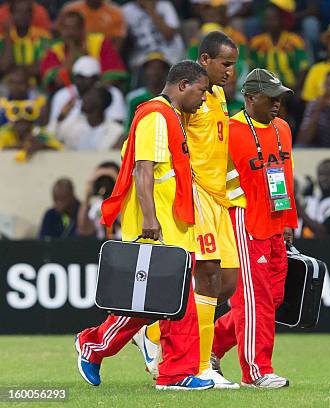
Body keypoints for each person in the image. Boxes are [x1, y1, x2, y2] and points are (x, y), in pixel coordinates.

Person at [75, 60, 215, 391]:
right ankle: (95, 346)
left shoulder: (172, 117)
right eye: (201, 91)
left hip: (174, 224)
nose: (204, 99)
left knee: (173, 304)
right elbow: (143, 169)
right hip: (158, 227)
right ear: (183, 85)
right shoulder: (155, 115)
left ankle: (172, 373)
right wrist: (150, 219)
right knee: (157, 303)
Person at [133, 31, 240, 389]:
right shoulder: (187, 100)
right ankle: (199, 364)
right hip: (195, 196)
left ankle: (153, 333)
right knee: (205, 277)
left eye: (234, 64)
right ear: (204, 61)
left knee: (226, 282)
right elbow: (172, 149)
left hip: (219, 199)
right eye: (225, 63)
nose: (230, 71)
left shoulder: (220, 96)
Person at [213, 68, 297, 389]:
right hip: (245, 224)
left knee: (272, 299)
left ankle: (211, 346)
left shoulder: (283, 129)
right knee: (254, 302)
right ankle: (256, 371)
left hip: (276, 224)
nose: (277, 103)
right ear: (249, 98)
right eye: (270, 97)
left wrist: (289, 221)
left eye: (280, 97)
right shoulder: (230, 131)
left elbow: (286, 175)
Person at [39, 10, 127, 91]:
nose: (70, 32)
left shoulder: (99, 42)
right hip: (67, 94)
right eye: (66, 28)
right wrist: (72, 51)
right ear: (60, 30)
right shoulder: (55, 50)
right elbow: (58, 82)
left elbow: (115, 75)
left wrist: (96, 91)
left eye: (74, 28)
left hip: (100, 92)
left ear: (82, 28)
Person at [47, 56, 126, 132]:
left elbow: (118, 126)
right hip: (70, 141)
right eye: (78, 77)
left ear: (96, 78)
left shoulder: (112, 93)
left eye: (84, 77)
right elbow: (53, 129)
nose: (80, 82)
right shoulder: (62, 95)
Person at [248, 3, 310, 91]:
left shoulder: (294, 41)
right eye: (267, 19)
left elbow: (303, 68)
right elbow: (253, 69)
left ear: (282, 20)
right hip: (266, 90)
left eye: (273, 19)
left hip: (291, 88)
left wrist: (295, 89)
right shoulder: (257, 43)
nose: (270, 22)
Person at [55, 85, 123, 151]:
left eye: (89, 96)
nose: (84, 99)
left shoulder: (116, 131)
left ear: (100, 102)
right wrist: (62, 115)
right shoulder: (73, 124)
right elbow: (53, 136)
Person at [121, 0, 185, 69]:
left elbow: (169, 35)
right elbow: (123, 40)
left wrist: (151, 10)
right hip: (142, 56)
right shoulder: (125, 11)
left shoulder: (165, 6)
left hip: (169, 54)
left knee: (157, 65)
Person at [297, 69, 330, 147]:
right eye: (327, 84)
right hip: (317, 146)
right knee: (300, 147)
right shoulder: (314, 104)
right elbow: (304, 139)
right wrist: (318, 110)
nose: (328, 88)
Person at [0, 0, 50, 79]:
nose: (22, 16)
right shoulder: (3, 39)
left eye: (26, 12)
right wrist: (8, 36)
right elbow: (4, 67)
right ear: (11, 15)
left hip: (35, 86)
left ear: (31, 15)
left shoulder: (42, 37)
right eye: (18, 12)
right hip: (8, 85)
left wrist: (15, 69)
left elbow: (41, 67)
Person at [124, 52, 170, 134]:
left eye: (159, 68)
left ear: (165, 72)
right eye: (151, 68)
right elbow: (129, 129)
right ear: (145, 71)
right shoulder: (134, 98)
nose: (155, 72)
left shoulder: (174, 98)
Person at [76, 161, 121, 239]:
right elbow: (84, 230)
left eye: (109, 180)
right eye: (102, 180)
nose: (105, 184)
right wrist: (87, 196)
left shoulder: (128, 204)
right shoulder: (97, 207)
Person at [60, 0, 126, 50]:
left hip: (105, 53)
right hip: (74, 50)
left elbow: (118, 41)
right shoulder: (71, 9)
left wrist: (107, 55)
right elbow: (61, 35)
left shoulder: (115, 12)